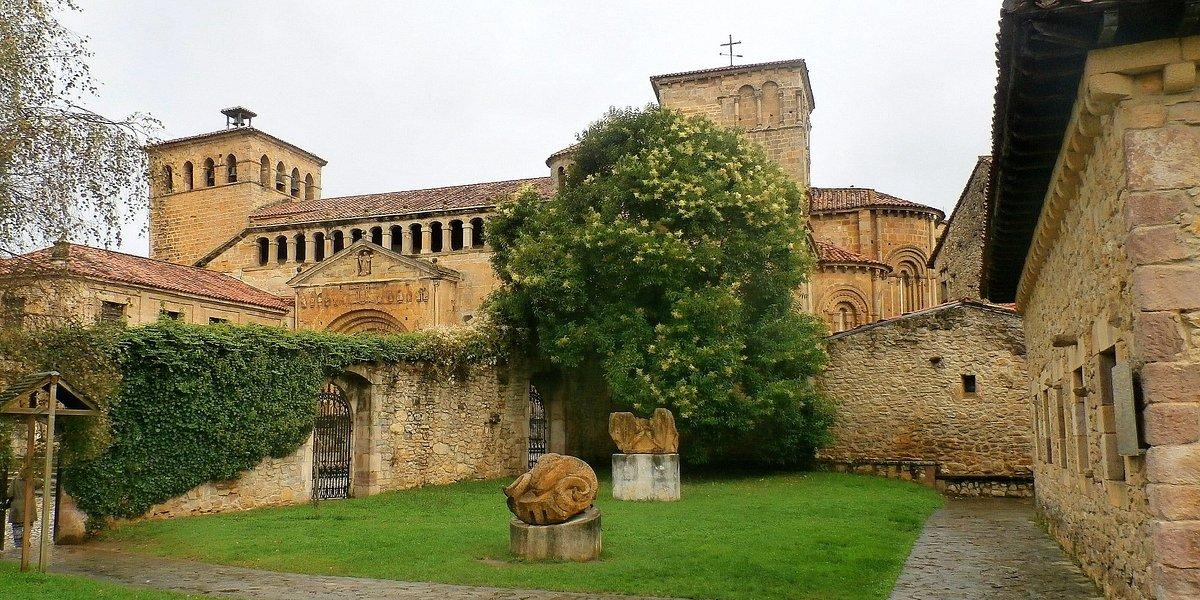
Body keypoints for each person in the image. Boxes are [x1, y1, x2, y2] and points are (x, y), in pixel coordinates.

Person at [5, 474, 29, 549]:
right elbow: (40, 483)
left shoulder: (15, 481)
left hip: (17, 508)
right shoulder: (32, 480)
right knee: (28, 526)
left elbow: (9, 494)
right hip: (29, 507)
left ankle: (18, 544)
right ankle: (25, 542)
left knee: (17, 526)